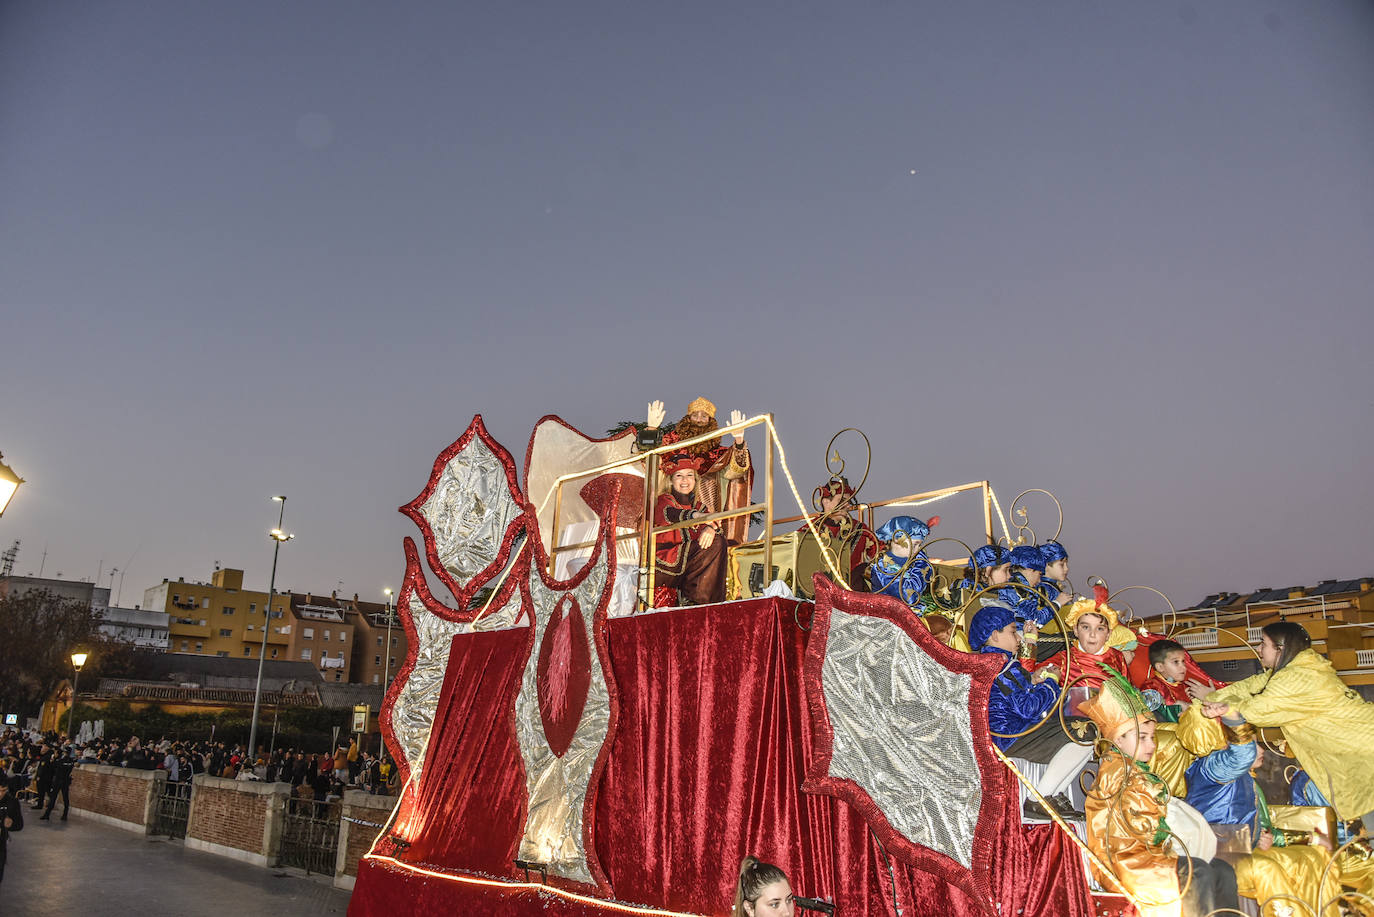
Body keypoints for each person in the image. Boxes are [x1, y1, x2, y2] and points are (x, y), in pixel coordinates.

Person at [1081, 673, 1240, 917]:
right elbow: (1140, 828)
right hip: (1126, 863)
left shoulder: (1134, 769)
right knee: (1197, 871)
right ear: (1118, 740)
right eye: (1142, 738)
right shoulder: (1115, 772)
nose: (1152, 745)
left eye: (1152, 737)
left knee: (1222, 870)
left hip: (1150, 855)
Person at [1203, 621, 1374, 833]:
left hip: (1364, 751)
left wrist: (1221, 706)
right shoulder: (1301, 668)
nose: (1258, 649)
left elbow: (1256, 710)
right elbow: (1253, 685)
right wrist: (1213, 696)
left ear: (1280, 649)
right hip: (1359, 748)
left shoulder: (1296, 678)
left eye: (1263, 643)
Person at [969, 604, 1087, 821]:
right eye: (1013, 631)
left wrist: (1033, 680)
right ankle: (1039, 799)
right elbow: (1028, 707)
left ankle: (1052, 795)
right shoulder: (1002, 666)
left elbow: (1013, 693)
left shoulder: (993, 663)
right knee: (1086, 731)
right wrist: (1051, 682)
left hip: (1007, 735)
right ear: (995, 635)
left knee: (1083, 730)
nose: (1018, 638)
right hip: (1011, 738)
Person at [646, 397, 753, 545]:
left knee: (710, 482)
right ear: (688, 418)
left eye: (704, 416)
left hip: (705, 504)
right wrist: (651, 430)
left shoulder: (717, 454)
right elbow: (648, 457)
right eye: (695, 415)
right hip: (674, 509)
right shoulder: (671, 444)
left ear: (711, 421)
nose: (699, 420)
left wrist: (739, 442)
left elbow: (736, 472)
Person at [653, 453, 728, 607]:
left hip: (688, 564)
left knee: (719, 541)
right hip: (662, 563)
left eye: (689, 475)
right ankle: (696, 600)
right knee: (715, 544)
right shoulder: (664, 500)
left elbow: (717, 527)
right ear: (671, 480)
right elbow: (671, 514)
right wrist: (698, 516)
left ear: (695, 479)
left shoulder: (700, 506)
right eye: (679, 475)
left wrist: (710, 528)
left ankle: (709, 603)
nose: (685, 480)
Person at [798, 476, 879, 587]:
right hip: (817, 592)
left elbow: (879, 553)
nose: (848, 506)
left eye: (848, 501)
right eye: (842, 501)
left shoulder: (860, 529)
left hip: (852, 591)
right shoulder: (808, 531)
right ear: (826, 502)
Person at [867, 516, 937, 609]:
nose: (918, 550)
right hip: (892, 618)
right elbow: (909, 597)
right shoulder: (883, 567)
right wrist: (922, 564)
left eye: (919, 545)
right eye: (915, 544)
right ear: (897, 539)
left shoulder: (913, 562)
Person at [1142, 640, 1220, 721]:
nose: (1184, 667)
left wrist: (1208, 698)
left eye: (1183, 661)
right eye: (1176, 662)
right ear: (1160, 667)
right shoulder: (1151, 688)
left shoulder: (1186, 687)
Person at [40, 746, 73, 821]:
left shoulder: (60, 760)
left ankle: (47, 814)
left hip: (58, 781)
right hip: (66, 781)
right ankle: (65, 815)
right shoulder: (71, 761)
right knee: (65, 798)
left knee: (53, 798)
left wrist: (54, 760)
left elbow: (54, 766)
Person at [0, 775, 23, 884]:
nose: (1, 794)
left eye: (3, 790)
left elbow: (19, 825)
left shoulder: (12, 802)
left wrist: (11, 825)